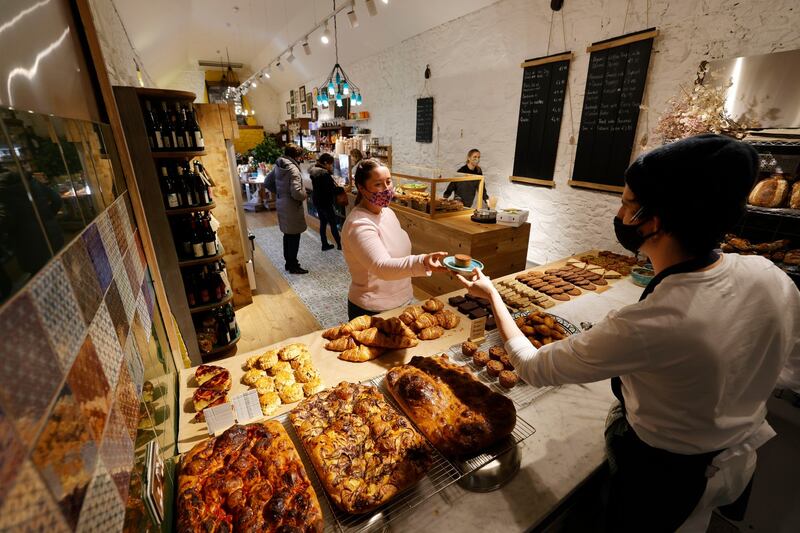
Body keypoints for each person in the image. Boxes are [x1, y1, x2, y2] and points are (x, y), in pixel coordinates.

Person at [457, 134, 800, 532]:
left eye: (626, 203)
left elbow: (531, 366)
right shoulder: (770, 276)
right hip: (737, 459)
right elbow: (790, 369)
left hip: (660, 474)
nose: (620, 213)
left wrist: (492, 294)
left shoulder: (656, 321)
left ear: (651, 221)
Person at [342, 158, 449, 319]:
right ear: (362, 188)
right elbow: (382, 267)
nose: (386, 189)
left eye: (388, 181)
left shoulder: (388, 212)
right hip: (373, 310)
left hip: (404, 302)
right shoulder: (359, 224)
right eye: (378, 184)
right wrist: (423, 262)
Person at [265, 144, 309, 274]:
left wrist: (280, 193)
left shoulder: (279, 166)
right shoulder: (293, 169)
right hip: (292, 206)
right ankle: (294, 265)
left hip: (281, 203)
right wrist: (305, 195)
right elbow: (296, 193)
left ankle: (288, 263)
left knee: (287, 235)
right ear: (296, 156)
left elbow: (267, 182)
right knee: (294, 237)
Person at [308, 153, 342, 251]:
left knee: (323, 222)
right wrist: (342, 189)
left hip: (317, 200)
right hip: (325, 201)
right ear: (326, 163)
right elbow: (331, 190)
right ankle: (340, 244)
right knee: (333, 223)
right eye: (330, 164)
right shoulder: (324, 174)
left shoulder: (314, 172)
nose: (331, 166)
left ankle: (324, 244)